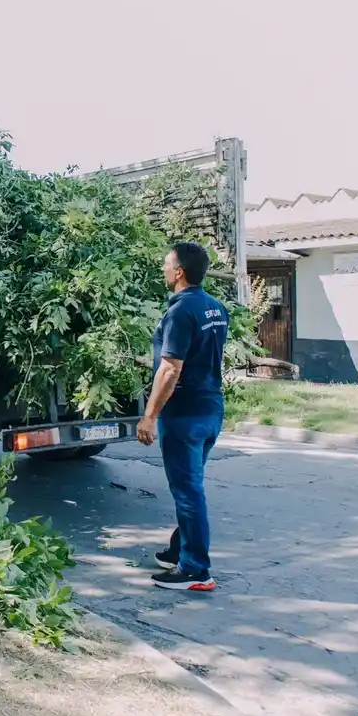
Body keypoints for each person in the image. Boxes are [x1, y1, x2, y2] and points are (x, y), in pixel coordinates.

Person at [135, 241, 228, 592]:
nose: (163, 269)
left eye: (166, 265)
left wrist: (149, 416)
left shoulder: (179, 312)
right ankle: (180, 551)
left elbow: (171, 369)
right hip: (210, 408)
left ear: (179, 273)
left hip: (185, 413)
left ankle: (196, 570)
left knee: (188, 490)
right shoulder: (216, 308)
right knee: (191, 485)